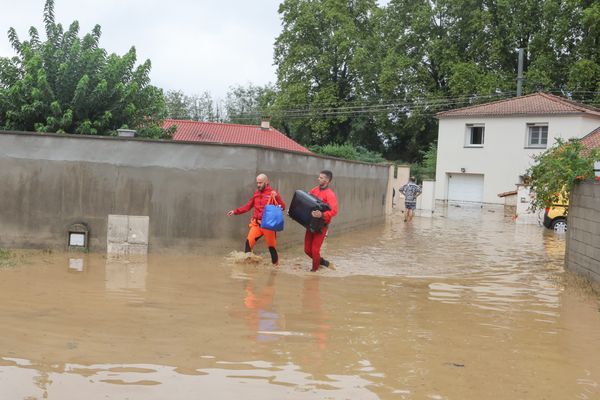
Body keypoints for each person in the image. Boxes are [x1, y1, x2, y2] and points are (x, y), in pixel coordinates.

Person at [227, 174, 285, 266]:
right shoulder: (256, 193)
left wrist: (276, 197)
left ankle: (275, 270)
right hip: (256, 225)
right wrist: (235, 211)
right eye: (257, 183)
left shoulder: (273, 193)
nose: (258, 185)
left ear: (266, 183)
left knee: (272, 248)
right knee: (248, 244)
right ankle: (248, 270)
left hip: (268, 226)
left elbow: (283, 207)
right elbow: (248, 206)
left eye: (260, 183)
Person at [304, 170, 338, 272]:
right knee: (307, 250)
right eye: (319, 177)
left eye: (321, 178)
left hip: (321, 226)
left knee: (315, 250)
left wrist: (322, 214)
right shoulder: (314, 190)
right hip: (310, 224)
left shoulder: (330, 195)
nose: (318, 179)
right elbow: (306, 202)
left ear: (327, 180)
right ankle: (323, 262)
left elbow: (334, 211)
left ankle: (314, 273)